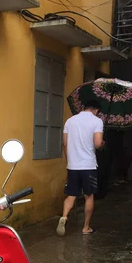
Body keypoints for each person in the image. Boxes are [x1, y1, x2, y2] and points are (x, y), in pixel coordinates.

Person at [56, 99, 104, 236]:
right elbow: (98, 143)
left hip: (73, 165)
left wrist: (69, 161)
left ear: (84, 107)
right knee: (89, 196)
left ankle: (64, 217)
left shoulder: (70, 121)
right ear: (96, 110)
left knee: (71, 195)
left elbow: (65, 144)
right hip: (88, 165)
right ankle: (86, 227)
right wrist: (102, 144)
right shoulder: (97, 121)